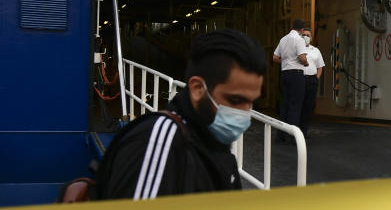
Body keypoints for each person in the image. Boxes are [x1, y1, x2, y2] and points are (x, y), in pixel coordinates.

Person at [96, 29, 265, 200]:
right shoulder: (158, 143)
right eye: (235, 100)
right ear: (198, 89)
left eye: (250, 103)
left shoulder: (215, 143)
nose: (245, 114)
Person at [273, 19, 309, 136]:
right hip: (296, 74)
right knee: (295, 105)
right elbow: (302, 57)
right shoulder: (299, 39)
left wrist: (287, 61)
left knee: (285, 104)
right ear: (302, 30)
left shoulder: (283, 39)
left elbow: (275, 57)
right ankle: (292, 137)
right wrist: (306, 63)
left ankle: (281, 135)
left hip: (285, 73)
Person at [299, 25, 325, 134]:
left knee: (308, 106)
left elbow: (320, 66)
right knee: (298, 104)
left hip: (311, 80)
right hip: (299, 79)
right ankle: (295, 130)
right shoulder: (297, 49)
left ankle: (304, 130)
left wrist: (316, 78)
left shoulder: (316, 51)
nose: (305, 37)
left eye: (307, 35)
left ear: (311, 37)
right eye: (303, 35)